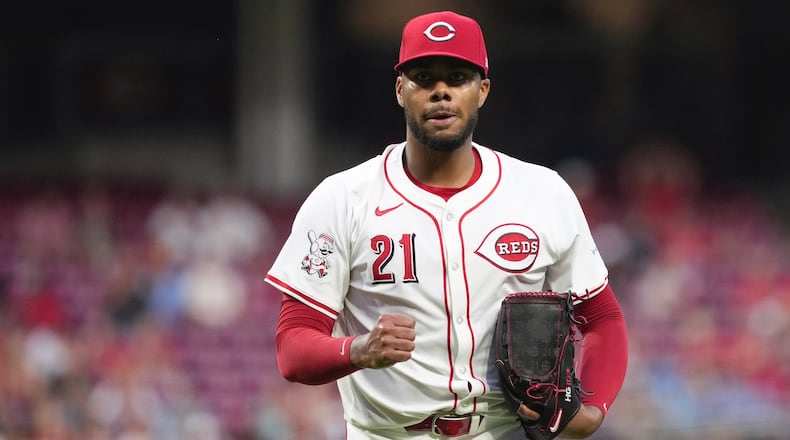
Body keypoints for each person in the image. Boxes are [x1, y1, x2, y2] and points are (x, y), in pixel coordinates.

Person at [266, 10, 628, 439]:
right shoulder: (342, 199)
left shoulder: (543, 192)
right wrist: (358, 349)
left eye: (458, 77)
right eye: (423, 77)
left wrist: (593, 409)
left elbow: (601, 317)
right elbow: (293, 348)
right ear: (401, 90)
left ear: (483, 90)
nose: (441, 92)